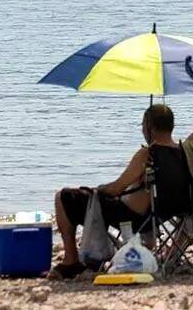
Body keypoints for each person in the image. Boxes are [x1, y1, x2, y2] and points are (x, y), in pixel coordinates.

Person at [51, 104, 184, 278]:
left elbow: (116, 189)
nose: (142, 129)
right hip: (161, 215)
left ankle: (71, 260)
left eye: (143, 124)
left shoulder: (148, 153)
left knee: (64, 197)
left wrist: (98, 189)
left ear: (149, 126)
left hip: (131, 216)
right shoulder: (182, 152)